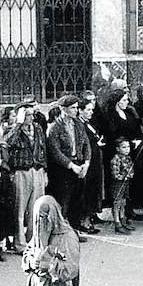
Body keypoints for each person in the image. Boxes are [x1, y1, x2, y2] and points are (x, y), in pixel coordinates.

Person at [47, 96, 94, 234]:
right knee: (64, 201)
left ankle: (74, 230)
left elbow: (86, 144)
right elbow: (55, 152)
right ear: (63, 109)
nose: (75, 110)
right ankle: (61, 232)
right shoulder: (55, 128)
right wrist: (71, 165)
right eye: (72, 108)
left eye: (76, 107)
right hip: (64, 169)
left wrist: (86, 162)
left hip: (79, 165)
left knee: (77, 200)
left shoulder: (78, 124)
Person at [5, 101, 48, 246]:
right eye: (27, 115)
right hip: (21, 171)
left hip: (37, 170)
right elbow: (8, 143)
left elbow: (43, 151)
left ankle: (32, 239)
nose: (31, 118)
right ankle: (20, 242)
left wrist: (45, 171)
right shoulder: (13, 130)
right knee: (20, 208)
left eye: (32, 114)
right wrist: (18, 124)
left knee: (35, 208)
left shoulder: (38, 128)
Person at [108, 138, 135, 234]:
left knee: (124, 201)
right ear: (118, 149)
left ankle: (122, 219)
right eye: (124, 147)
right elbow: (115, 175)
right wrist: (124, 176)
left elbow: (131, 170)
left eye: (128, 147)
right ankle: (117, 222)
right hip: (117, 184)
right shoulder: (115, 160)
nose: (127, 149)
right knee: (117, 203)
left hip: (125, 183)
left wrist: (130, 175)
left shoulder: (128, 158)